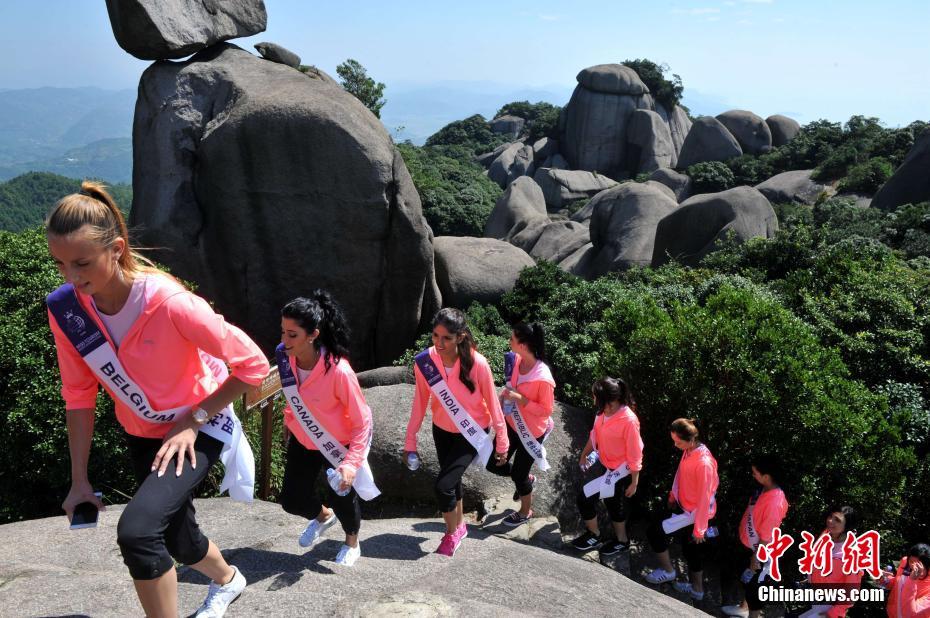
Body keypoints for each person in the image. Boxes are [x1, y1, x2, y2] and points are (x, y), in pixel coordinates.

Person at [45, 181, 270, 618]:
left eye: (82, 263)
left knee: (139, 531)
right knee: (178, 539)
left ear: (116, 248)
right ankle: (229, 579)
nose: (71, 278)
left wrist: (194, 418)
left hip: (198, 426)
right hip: (143, 429)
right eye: (60, 264)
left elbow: (254, 365)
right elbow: (78, 393)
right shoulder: (69, 310)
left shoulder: (170, 303)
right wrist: (78, 480)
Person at [276, 292, 379, 567]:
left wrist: (351, 463)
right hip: (303, 438)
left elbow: (362, 421)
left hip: (337, 442)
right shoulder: (286, 358)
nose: (284, 341)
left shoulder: (339, 372)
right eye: (283, 332)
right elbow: (293, 394)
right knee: (292, 500)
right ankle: (323, 517)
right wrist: (290, 419)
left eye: (292, 335)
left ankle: (352, 542)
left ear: (313, 335)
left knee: (341, 495)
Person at [404, 308, 509, 557]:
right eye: (435, 336)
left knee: (444, 485)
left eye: (446, 338)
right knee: (453, 481)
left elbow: (494, 404)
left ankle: (453, 533)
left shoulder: (478, 364)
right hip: (441, 429)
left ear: (460, 337)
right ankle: (460, 524)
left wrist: (502, 441)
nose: (439, 343)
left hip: (471, 432)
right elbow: (419, 402)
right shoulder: (425, 362)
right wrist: (411, 439)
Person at [485, 322, 556, 527]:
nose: (509, 342)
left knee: (519, 474)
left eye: (512, 339)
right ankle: (526, 478)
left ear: (523, 345)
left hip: (531, 431)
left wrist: (521, 399)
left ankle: (525, 511)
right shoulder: (515, 360)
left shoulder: (543, 378)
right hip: (510, 423)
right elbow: (510, 386)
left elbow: (547, 411)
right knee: (492, 463)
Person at [644, 418, 719, 603]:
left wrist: (700, 528)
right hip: (685, 506)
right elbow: (681, 474)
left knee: (655, 531)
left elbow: (704, 498)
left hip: (694, 514)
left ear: (690, 439)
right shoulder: (689, 450)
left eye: (678, 442)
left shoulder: (704, 463)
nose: (675, 445)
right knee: (690, 551)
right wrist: (673, 495)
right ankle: (697, 590)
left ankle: (669, 572)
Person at [569, 377, 643, 556]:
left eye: (595, 397)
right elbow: (595, 434)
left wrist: (634, 482)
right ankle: (620, 540)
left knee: (585, 499)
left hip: (621, 471)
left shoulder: (628, 421)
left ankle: (596, 535)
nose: (593, 400)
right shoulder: (602, 412)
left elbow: (635, 453)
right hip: (608, 465)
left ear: (607, 399)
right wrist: (584, 453)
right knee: (612, 503)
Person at [721, 454, 790, 618]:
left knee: (754, 588)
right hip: (749, 544)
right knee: (748, 581)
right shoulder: (764, 488)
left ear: (766, 476)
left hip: (759, 550)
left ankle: (753, 615)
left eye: (755, 472)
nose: (753, 475)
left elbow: (766, 536)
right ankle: (743, 608)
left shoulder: (775, 502)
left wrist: (755, 557)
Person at [794, 505, 863, 618]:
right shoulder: (826, 535)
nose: (830, 521)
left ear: (847, 526)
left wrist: (832, 613)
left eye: (837, 520)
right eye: (831, 516)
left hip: (830, 607)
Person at [882, 543, 930, 617]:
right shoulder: (905, 562)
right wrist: (886, 580)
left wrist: (912, 580)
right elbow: (898, 585)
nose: (913, 566)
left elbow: (910, 613)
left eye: (918, 564)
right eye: (911, 561)